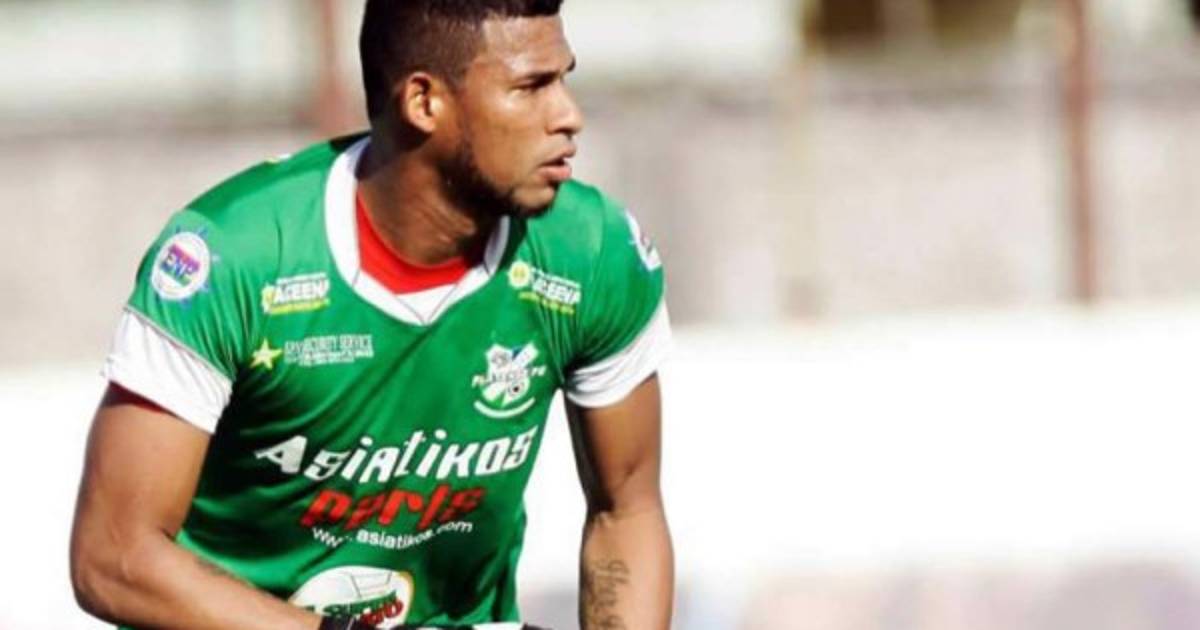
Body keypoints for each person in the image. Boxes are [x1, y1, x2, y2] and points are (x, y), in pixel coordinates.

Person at [68, 1, 674, 628]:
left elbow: (626, 511)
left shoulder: (593, 253)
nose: (569, 115)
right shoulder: (234, 257)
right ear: (423, 102)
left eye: (564, 79)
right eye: (531, 87)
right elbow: (113, 556)